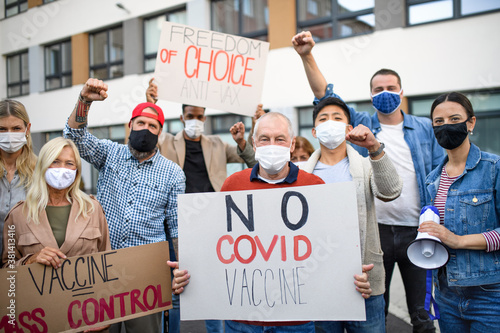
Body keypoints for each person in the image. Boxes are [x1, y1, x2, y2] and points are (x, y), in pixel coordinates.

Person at [167, 112, 376, 333]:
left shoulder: (314, 185)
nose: (272, 145)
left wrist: (348, 269)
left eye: (280, 139)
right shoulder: (233, 184)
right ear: (254, 144)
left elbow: (329, 244)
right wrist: (191, 270)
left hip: (297, 321)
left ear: (292, 144)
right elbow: (216, 244)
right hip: (241, 321)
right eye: (265, 139)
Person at [292, 30, 444, 332]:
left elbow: (439, 172)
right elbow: (326, 97)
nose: (384, 93)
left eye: (391, 87)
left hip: (417, 230)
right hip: (376, 234)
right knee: (375, 304)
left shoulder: (425, 128)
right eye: (378, 89)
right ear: (370, 94)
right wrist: (307, 54)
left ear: (401, 92)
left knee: (423, 313)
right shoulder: (362, 125)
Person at [64, 78, 185, 333]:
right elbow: (74, 135)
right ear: (130, 125)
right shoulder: (109, 154)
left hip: (146, 276)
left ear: (160, 132)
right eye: (140, 123)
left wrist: (181, 267)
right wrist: (84, 101)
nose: (146, 129)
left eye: (153, 126)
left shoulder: (173, 174)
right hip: (101, 268)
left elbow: (176, 229)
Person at [147, 78, 255, 333]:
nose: (195, 119)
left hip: (212, 222)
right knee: (176, 287)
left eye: (200, 116)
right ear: (182, 117)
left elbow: (251, 162)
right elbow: (146, 141)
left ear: (205, 118)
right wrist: (150, 104)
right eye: (190, 115)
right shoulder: (167, 143)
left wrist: (241, 140)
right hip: (177, 224)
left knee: (214, 285)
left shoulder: (217, 144)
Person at [300, 97, 402, 332]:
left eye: (337, 118)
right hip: (319, 282)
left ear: (348, 129)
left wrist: (374, 148)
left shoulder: (367, 165)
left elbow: (391, 191)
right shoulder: (301, 174)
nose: (330, 123)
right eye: (323, 119)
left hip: (363, 282)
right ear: (315, 131)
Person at [418, 92, 500, 332]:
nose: (446, 126)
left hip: (489, 292)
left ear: (471, 123)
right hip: (446, 294)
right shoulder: (432, 179)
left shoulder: (494, 169)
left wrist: (457, 240)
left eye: (455, 119)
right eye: (439, 122)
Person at [0, 100, 37, 255]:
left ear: (27, 129)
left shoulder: (40, 171)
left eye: (16, 128)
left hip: (25, 263)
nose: (10, 135)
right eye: (2, 129)